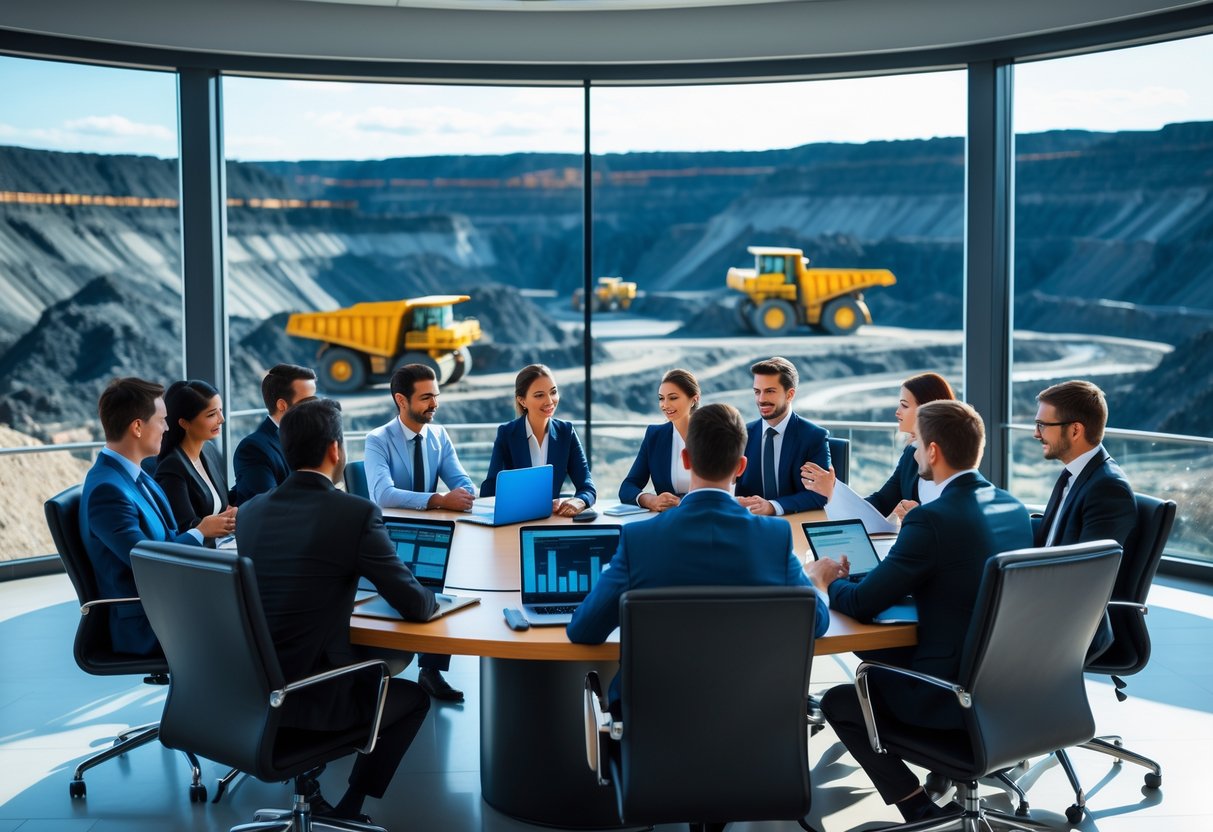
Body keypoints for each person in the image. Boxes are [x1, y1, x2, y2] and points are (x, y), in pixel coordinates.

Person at [806, 400, 1033, 823]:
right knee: (871, 657)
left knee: (840, 700)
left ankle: (916, 807)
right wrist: (859, 582)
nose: (912, 454)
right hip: (1014, 686)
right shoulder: (1011, 506)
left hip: (952, 694)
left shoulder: (931, 520)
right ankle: (943, 772)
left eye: (916, 445)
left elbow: (861, 605)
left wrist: (826, 579)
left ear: (933, 452)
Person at [235, 398, 434, 825]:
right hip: (313, 696)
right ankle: (350, 807)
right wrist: (436, 593)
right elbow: (415, 605)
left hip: (251, 690)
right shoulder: (355, 512)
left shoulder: (250, 512)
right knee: (415, 697)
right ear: (335, 450)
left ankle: (309, 786)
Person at [568, 403, 830, 706]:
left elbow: (583, 630)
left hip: (653, 736)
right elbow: (818, 623)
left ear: (686, 459)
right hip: (752, 733)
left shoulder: (639, 539)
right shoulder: (774, 538)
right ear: (741, 467)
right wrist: (817, 581)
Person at [80, 377, 235, 655]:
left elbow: (166, 542)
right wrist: (200, 532)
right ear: (137, 427)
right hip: (149, 621)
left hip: (170, 603)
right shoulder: (108, 490)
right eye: (162, 420)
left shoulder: (139, 474)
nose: (167, 426)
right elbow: (149, 561)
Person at [363, 363, 475, 702]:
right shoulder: (377, 440)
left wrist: (465, 494)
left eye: (436, 396)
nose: (434, 404)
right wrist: (439, 499)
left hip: (430, 532)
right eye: (426, 398)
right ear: (401, 400)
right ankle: (377, 667)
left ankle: (431, 669)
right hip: (390, 536)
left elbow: (462, 481)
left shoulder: (438, 436)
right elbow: (383, 494)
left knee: (448, 579)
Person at [1033, 380, 1135, 657]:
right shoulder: (1075, 475)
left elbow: (1086, 576)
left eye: (1043, 425)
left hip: (1070, 625)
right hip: (1042, 602)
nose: (1036, 433)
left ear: (1075, 429)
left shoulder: (1107, 488)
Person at [801, 372, 955, 523]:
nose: (897, 412)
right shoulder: (911, 453)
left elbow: (950, 517)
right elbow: (881, 502)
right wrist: (834, 490)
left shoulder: (951, 461)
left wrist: (918, 516)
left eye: (904, 405)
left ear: (927, 410)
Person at [481, 363, 596, 516]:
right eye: (539, 395)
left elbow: (587, 487)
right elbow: (489, 490)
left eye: (553, 392)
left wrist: (580, 501)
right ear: (522, 401)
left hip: (551, 522)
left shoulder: (566, 432)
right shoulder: (507, 434)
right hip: (516, 520)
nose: (550, 401)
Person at [735, 356, 830, 515]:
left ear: (790, 394)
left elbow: (819, 495)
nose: (761, 399)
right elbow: (727, 487)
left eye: (770, 391)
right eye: (757, 392)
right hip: (750, 522)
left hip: (795, 522)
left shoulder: (814, 437)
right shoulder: (741, 435)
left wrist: (773, 506)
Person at [153, 379, 233, 539]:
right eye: (212, 414)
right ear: (184, 423)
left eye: (221, 410)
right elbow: (186, 529)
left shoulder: (209, 450)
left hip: (223, 545)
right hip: (201, 556)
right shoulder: (172, 467)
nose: (221, 419)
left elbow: (224, 504)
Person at [231, 363, 317, 505]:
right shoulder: (254, 448)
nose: (316, 408)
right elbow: (269, 506)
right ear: (282, 405)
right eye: (307, 402)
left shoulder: (309, 437)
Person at [618, 368, 700, 510]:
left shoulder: (715, 433)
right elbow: (628, 487)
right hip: (669, 520)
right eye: (661, 398)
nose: (665, 405)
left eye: (673, 397)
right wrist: (650, 500)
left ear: (694, 399)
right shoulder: (655, 436)